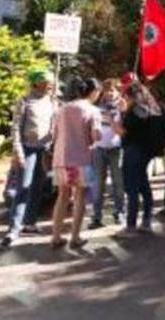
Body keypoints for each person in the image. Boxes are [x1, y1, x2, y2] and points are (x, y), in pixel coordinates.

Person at [0, 68, 57, 249]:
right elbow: (15, 129)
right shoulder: (24, 101)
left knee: (38, 187)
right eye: (47, 82)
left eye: (51, 82)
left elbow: (54, 125)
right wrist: (18, 152)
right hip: (27, 149)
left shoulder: (53, 102)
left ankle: (30, 223)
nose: (50, 85)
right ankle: (13, 229)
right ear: (36, 83)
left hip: (45, 150)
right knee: (23, 188)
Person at [51, 77, 102, 249]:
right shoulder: (93, 110)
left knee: (62, 196)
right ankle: (75, 237)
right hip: (81, 158)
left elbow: (54, 133)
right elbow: (96, 136)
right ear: (93, 92)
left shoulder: (62, 108)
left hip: (60, 158)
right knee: (80, 196)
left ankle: (56, 236)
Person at [120, 81, 163, 233]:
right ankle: (146, 219)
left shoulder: (135, 111)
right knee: (143, 185)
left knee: (131, 188)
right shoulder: (150, 108)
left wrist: (112, 121)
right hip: (146, 151)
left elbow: (123, 132)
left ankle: (131, 224)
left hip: (133, 151)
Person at [90, 79, 125, 229]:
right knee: (98, 184)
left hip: (116, 148)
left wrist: (113, 118)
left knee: (118, 183)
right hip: (99, 148)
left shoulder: (122, 107)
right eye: (107, 91)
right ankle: (97, 216)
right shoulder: (96, 107)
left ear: (118, 91)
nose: (109, 94)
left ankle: (120, 212)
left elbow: (122, 131)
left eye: (113, 90)